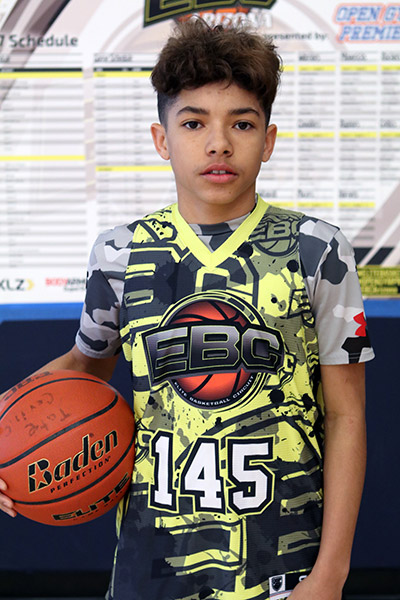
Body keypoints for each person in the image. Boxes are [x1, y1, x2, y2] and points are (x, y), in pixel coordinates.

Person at [0, 18, 374, 600]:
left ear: (268, 140)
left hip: (283, 565)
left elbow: (347, 416)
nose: (218, 143)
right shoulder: (120, 254)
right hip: (151, 566)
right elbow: (82, 367)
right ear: (161, 139)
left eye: (242, 124)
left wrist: (331, 574)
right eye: (193, 123)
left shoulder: (316, 250)